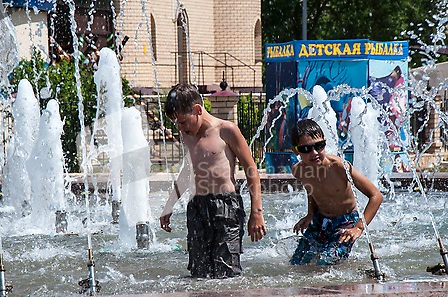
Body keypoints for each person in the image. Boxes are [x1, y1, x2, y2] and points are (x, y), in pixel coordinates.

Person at [160, 83, 267, 278]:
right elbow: (187, 171)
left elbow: (252, 170)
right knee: (199, 273)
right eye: (176, 123)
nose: (180, 127)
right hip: (197, 207)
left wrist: (256, 213)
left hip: (226, 205)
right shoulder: (187, 134)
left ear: (198, 109)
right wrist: (169, 205)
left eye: (183, 121)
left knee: (226, 272)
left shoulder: (226, 130)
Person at [290, 119, 383, 265]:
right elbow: (312, 190)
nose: (314, 153)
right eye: (306, 149)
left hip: (345, 222)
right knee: (297, 263)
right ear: (296, 151)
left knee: (325, 263)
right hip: (320, 221)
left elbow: (376, 196)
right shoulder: (299, 170)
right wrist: (310, 214)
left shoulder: (339, 167)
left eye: (319, 146)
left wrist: (358, 228)